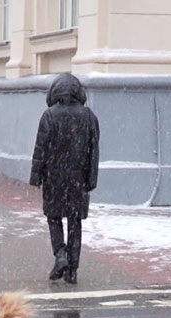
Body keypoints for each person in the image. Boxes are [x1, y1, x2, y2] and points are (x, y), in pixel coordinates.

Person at [29, 73, 99, 285]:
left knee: (54, 217)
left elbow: (40, 149)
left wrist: (36, 176)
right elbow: (94, 152)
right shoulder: (89, 116)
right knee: (75, 222)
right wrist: (91, 179)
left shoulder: (49, 116)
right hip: (78, 179)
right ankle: (73, 271)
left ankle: (60, 254)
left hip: (54, 178)